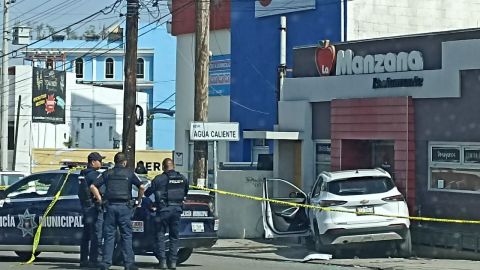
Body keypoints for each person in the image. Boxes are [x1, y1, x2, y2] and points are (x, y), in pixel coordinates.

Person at [90, 152, 145, 270]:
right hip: (125, 208)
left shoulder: (107, 173)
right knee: (126, 235)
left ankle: (106, 263)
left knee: (109, 236)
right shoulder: (130, 173)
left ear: (115, 162)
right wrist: (139, 200)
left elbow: (93, 186)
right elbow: (141, 186)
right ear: (124, 162)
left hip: (110, 207)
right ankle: (129, 264)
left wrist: (100, 200)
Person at [145, 158, 189, 270]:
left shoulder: (159, 179)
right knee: (174, 237)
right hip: (177, 210)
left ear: (163, 167)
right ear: (173, 166)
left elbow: (148, 192)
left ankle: (163, 262)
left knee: (160, 235)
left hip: (163, 211)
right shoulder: (183, 178)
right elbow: (185, 192)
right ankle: (173, 263)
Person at [78, 152, 105, 268]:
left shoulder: (83, 174)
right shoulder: (94, 175)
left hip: (86, 207)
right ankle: (94, 260)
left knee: (86, 235)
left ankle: (84, 260)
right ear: (93, 162)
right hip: (94, 208)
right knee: (96, 235)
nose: (101, 162)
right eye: (100, 160)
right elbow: (103, 191)